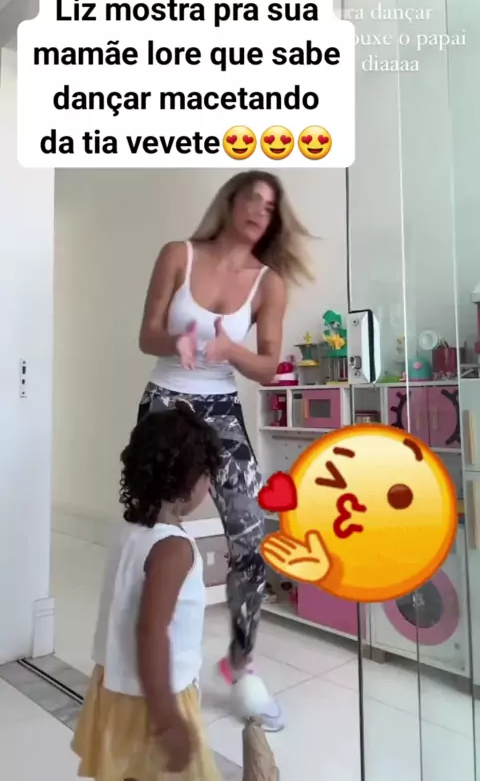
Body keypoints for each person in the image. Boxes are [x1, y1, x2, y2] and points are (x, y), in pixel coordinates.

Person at [137, 170, 312, 732]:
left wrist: (229, 349)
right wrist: (180, 341)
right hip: (167, 400)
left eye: (271, 206)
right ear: (231, 202)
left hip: (221, 409)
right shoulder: (178, 254)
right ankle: (146, 657)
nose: (260, 211)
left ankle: (241, 661)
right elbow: (146, 335)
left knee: (250, 537)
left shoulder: (269, 283)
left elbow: (267, 368)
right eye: (252, 199)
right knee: (152, 527)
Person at [72, 404, 223, 781]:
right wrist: (167, 718)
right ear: (190, 481)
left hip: (114, 685)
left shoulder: (129, 531)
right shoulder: (174, 548)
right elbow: (151, 629)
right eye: (207, 475)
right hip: (154, 697)